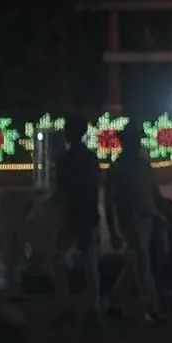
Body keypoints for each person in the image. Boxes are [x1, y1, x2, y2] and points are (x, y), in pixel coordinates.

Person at [105, 124, 163, 323]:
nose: (137, 143)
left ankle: (115, 302)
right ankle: (151, 307)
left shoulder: (144, 166)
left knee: (134, 261)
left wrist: (162, 212)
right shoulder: (117, 169)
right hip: (130, 218)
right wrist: (113, 231)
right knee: (142, 261)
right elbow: (109, 201)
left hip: (147, 218)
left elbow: (154, 193)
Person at [52, 115, 104, 327]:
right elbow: (93, 189)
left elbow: (63, 191)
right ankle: (93, 307)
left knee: (59, 261)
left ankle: (67, 306)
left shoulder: (65, 160)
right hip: (87, 214)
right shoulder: (90, 158)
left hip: (73, 215)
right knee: (90, 263)